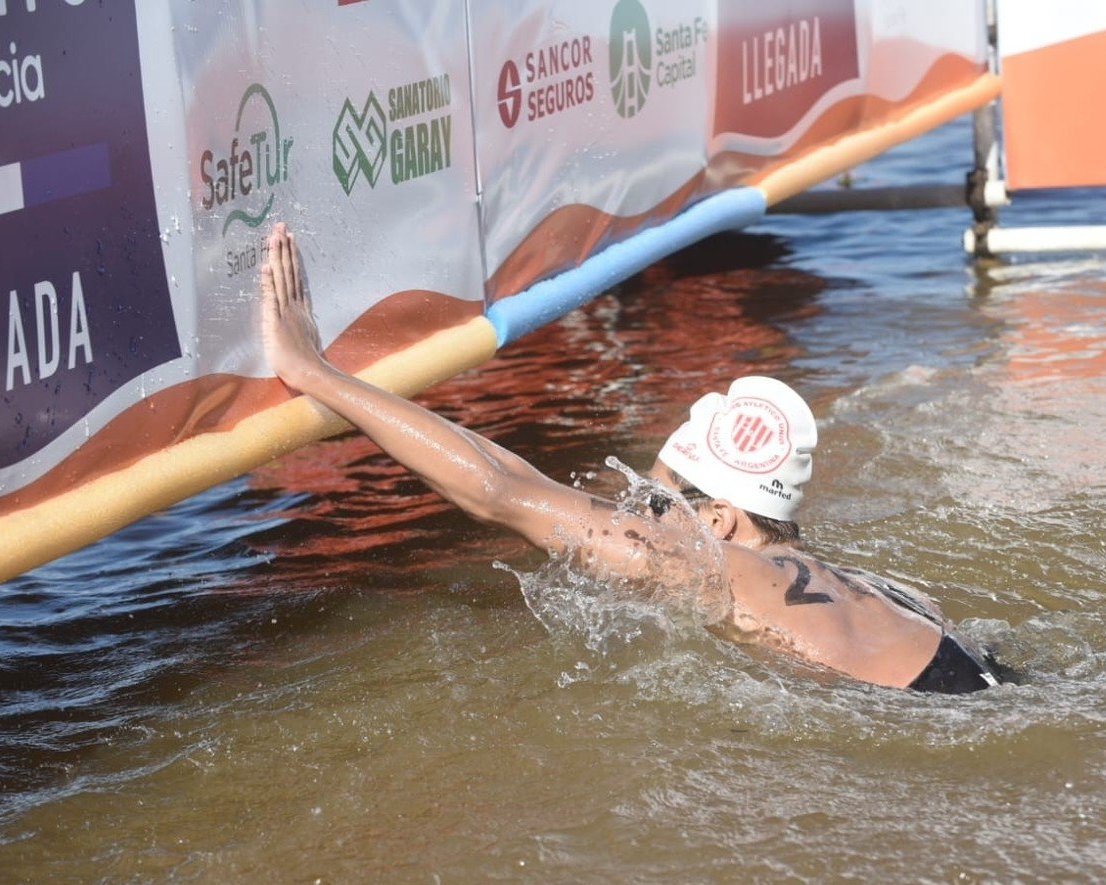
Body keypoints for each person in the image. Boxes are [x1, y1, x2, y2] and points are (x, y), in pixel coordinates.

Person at [260, 223, 1004, 693]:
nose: (636, 516)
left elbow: (498, 490)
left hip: (921, 714)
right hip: (975, 674)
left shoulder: (711, 565)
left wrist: (319, 373)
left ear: (715, 518)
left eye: (655, 501)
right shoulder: (861, 585)